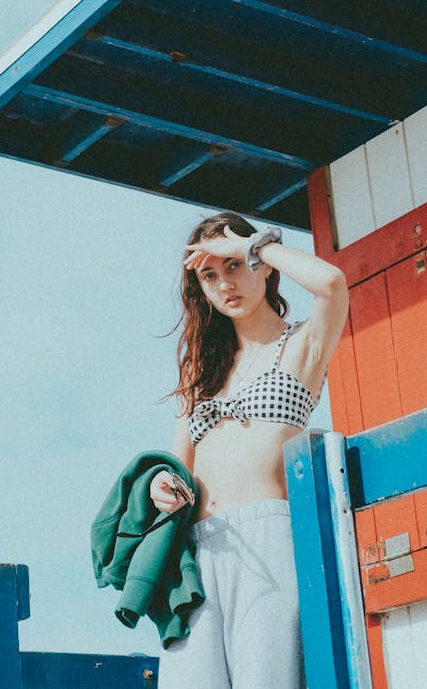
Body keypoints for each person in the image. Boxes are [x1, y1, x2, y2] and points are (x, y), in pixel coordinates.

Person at [151, 210, 349, 689]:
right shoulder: (200, 373)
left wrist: (249, 245)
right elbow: (178, 465)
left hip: (267, 540)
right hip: (198, 550)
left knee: (268, 680)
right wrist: (162, 483)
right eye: (209, 275)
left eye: (233, 266)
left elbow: (332, 282)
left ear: (262, 265)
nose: (225, 284)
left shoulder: (300, 345)